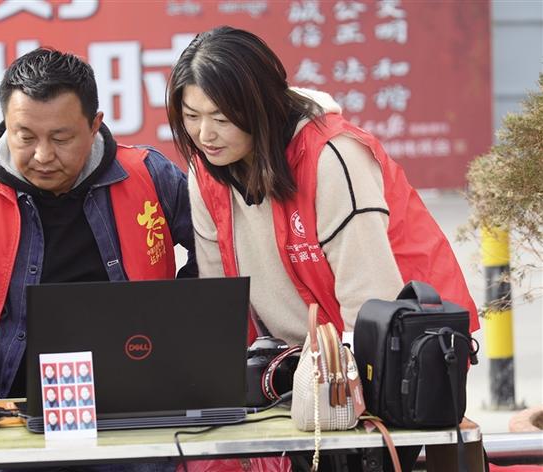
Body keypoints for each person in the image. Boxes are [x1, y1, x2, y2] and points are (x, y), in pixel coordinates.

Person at [166, 26, 479, 472]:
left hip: (398, 351)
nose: (204, 134)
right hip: (303, 367)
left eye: (221, 117)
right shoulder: (205, 170)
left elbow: (370, 296)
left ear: (260, 106)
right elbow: (221, 304)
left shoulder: (332, 156)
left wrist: (345, 396)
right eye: (191, 116)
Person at [0, 47, 196, 415]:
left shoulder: (149, 175)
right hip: (6, 403)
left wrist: (175, 317)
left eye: (60, 138)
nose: (42, 156)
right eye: (25, 137)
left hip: (139, 394)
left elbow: (216, 251)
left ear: (94, 124)